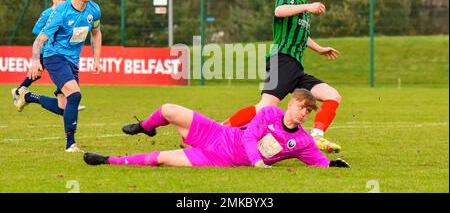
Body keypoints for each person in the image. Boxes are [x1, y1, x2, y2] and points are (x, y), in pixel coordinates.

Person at [223, 0, 342, 154]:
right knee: (264, 109)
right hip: (282, 60)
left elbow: (301, 34)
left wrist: (319, 48)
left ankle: (316, 135)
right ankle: (221, 130)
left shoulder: (303, 7)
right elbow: (279, 11)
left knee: (332, 96)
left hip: (296, 68)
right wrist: (308, 7)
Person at [83, 88, 350, 169]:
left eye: (307, 110)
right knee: (168, 109)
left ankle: (107, 160)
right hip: (218, 135)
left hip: (218, 158)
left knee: (162, 158)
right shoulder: (269, 111)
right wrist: (257, 161)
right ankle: (146, 126)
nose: (302, 113)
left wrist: (333, 165)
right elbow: (249, 137)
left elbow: (317, 161)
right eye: (300, 107)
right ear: (290, 104)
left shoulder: (302, 140)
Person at [18, 0, 102, 152]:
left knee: (64, 109)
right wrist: (35, 61)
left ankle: (28, 96)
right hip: (54, 56)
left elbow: (96, 33)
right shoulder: (61, 13)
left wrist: (96, 59)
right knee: (75, 95)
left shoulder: (93, 10)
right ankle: (70, 145)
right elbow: (39, 39)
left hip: (72, 60)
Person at [11, 0, 87, 112]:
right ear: (53, 0)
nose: (61, 1)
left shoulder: (66, 12)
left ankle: (21, 92)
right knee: (38, 73)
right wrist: (49, 34)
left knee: (47, 74)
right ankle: (20, 92)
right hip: (46, 50)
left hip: (57, 50)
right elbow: (36, 29)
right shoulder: (48, 13)